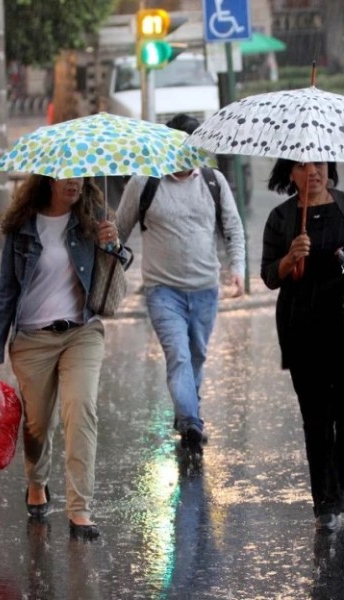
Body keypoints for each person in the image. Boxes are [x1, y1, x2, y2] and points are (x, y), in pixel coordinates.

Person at [0, 174, 130, 541]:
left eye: (80, 175)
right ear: (48, 180)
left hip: (82, 332)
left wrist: (113, 245)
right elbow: (6, 291)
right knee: (37, 425)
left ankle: (80, 510)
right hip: (33, 339)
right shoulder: (23, 227)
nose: (74, 183)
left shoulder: (92, 216)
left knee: (81, 411)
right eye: (66, 177)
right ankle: (37, 482)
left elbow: (117, 268)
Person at [260, 159, 344, 532]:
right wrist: (289, 259)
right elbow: (268, 275)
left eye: (320, 163)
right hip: (303, 326)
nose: (313, 171)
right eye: (302, 165)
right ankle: (324, 503)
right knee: (316, 416)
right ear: (290, 174)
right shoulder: (282, 218)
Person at [114, 113, 246, 454]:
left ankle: (187, 411)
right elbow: (120, 230)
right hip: (162, 291)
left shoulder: (213, 181)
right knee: (179, 357)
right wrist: (105, 251)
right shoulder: (144, 182)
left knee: (197, 356)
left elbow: (233, 227)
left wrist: (238, 270)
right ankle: (190, 421)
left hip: (205, 288)